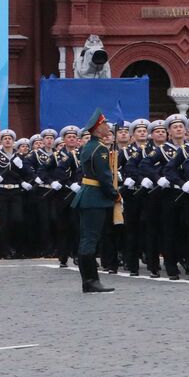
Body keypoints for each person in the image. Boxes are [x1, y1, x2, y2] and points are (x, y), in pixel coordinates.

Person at [71, 109, 119, 293]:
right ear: (98, 129)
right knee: (90, 239)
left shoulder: (89, 146)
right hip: (95, 196)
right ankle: (91, 280)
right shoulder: (100, 149)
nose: (108, 126)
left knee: (87, 238)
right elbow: (104, 176)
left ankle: (89, 280)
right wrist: (114, 194)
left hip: (88, 195)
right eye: (105, 124)